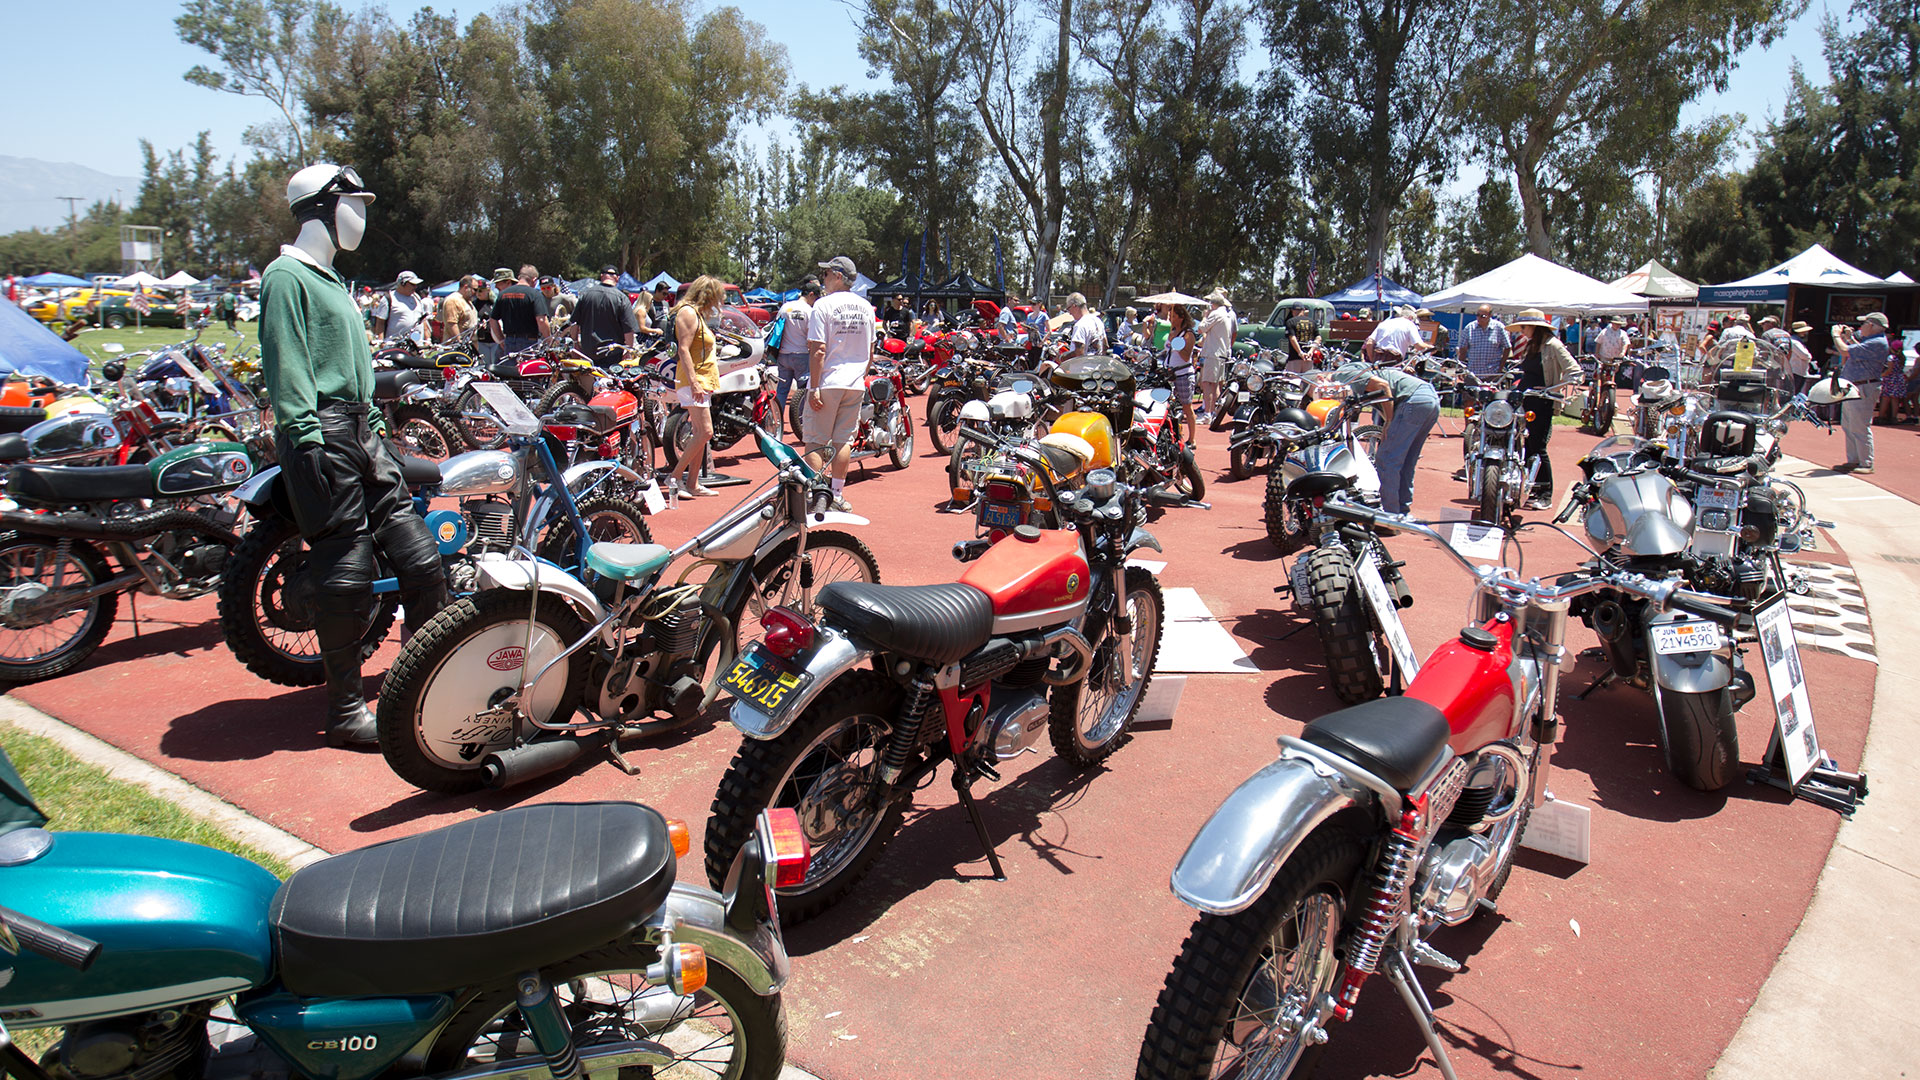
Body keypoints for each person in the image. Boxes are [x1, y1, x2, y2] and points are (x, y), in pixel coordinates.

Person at [258, 164, 447, 747]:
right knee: (346, 574)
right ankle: (343, 711)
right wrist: (305, 436)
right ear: (320, 207)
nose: (360, 216)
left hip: (360, 433)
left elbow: (357, 371)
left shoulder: (333, 281)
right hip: (321, 432)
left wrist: (370, 423)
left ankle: (418, 686)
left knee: (421, 561)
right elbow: (286, 363)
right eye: (352, 203)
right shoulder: (287, 276)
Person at [805, 256, 875, 511]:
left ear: (836, 275)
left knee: (815, 440)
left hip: (828, 380)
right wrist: (861, 374)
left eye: (825, 275)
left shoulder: (823, 306)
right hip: (854, 382)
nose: (822, 279)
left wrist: (814, 387)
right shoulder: (866, 307)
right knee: (843, 440)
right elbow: (870, 348)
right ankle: (836, 493)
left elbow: (818, 350)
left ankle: (816, 494)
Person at [1330, 358, 1440, 514]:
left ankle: (1389, 515)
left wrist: (1389, 420)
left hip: (1413, 400)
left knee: (1387, 458)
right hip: (1429, 398)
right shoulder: (1364, 369)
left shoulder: (1344, 373)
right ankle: (1401, 510)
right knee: (1407, 459)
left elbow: (1383, 386)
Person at [1505, 308, 1581, 509]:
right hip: (1524, 399)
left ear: (1534, 327)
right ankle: (1530, 487)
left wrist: (1551, 389)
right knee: (1524, 445)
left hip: (1542, 401)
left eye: (1524, 326)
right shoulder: (1533, 344)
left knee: (1538, 447)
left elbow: (1575, 372)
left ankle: (1545, 493)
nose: (1522, 331)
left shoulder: (1553, 345)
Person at [670, 275, 725, 498]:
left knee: (699, 433)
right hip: (695, 381)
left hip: (702, 380)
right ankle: (674, 476)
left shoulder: (696, 314)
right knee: (705, 432)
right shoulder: (688, 313)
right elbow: (683, 349)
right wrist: (694, 382)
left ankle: (692, 483)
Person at [1832, 313, 1892, 473]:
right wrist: (1851, 339)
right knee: (1848, 425)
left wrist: (1836, 336)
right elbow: (1858, 351)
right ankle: (1854, 460)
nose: (1861, 327)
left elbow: (1845, 351)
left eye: (1864, 323)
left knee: (1859, 426)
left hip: (1863, 387)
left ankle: (1866, 463)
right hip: (1855, 386)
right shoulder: (1872, 341)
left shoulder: (1877, 342)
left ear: (1872, 325)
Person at [569, 265, 639, 360]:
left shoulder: (586, 295)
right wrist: (628, 350)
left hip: (588, 352)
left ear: (602, 276)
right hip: (612, 353)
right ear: (617, 278)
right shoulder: (622, 298)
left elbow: (575, 323)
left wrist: (575, 343)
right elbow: (629, 328)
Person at [774, 278, 820, 415]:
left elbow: (777, 329)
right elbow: (811, 337)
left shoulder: (785, 307)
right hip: (801, 354)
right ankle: (800, 421)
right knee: (803, 391)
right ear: (811, 294)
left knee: (782, 390)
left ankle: (777, 420)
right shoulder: (809, 311)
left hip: (783, 354)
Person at [489, 265, 550, 356]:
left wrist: (501, 339)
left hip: (509, 342)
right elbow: (541, 320)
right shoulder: (535, 294)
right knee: (527, 369)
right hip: (529, 343)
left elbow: (493, 320)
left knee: (510, 369)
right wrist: (549, 339)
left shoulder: (503, 295)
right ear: (534, 280)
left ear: (519, 277)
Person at [1163, 304, 1200, 440]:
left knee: (1187, 407)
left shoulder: (1188, 334)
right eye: (1170, 316)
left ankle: (1192, 438)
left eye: (1174, 316)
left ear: (1181, 317)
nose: (1171, 319)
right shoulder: (1172, 332)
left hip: (1183, 374)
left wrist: (1175, 342)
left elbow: (1185, 356)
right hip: (1169, 374)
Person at [1198, 288, 1236, 420]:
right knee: (1215, 385)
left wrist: (1204, 317)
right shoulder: (1226, 314)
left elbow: (1201, 328)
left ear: (1213, 304)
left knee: (1207, 383)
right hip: (1221, 353)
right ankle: (1213, 412)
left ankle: (1207, 413)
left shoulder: (1215, 314)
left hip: (1213, 353)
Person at [372, 270, 431, 346]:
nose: (415, 287)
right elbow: (380, 323)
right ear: (402, 283)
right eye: (412, 284)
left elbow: (423, 320)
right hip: (395, 345)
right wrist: (381, 342)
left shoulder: (417, 298)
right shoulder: (389, 298)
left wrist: (427, 339)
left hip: (416, 346)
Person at [1059, 292, 1107, 372]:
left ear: (1074, 306)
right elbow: (1105, 345)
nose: (1069, 313)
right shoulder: (1098, 322)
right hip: (1097, 372)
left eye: (1068, 309)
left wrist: (1063, 357)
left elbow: (1079, 353)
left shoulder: (1080, 325)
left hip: (1082, 374)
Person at [1786, 320, 1816, 396]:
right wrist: (1809, 356)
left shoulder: (1798, 341)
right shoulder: (1794, 342)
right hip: (1796, 372)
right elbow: (1805, 355)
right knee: (1793, 393)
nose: (1805, 333)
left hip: (1799, 372)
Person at [1285, 305, 1317, 372]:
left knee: (1293, 380)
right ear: (1303, 310)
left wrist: (1300, 353)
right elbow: (1318, 338)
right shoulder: (1312, 322)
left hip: (1295, 357)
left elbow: (1292, 338)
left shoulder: (1290, 322)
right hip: (1309, 357)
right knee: (1307, 380)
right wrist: (1311, 351)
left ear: (1292, 311)